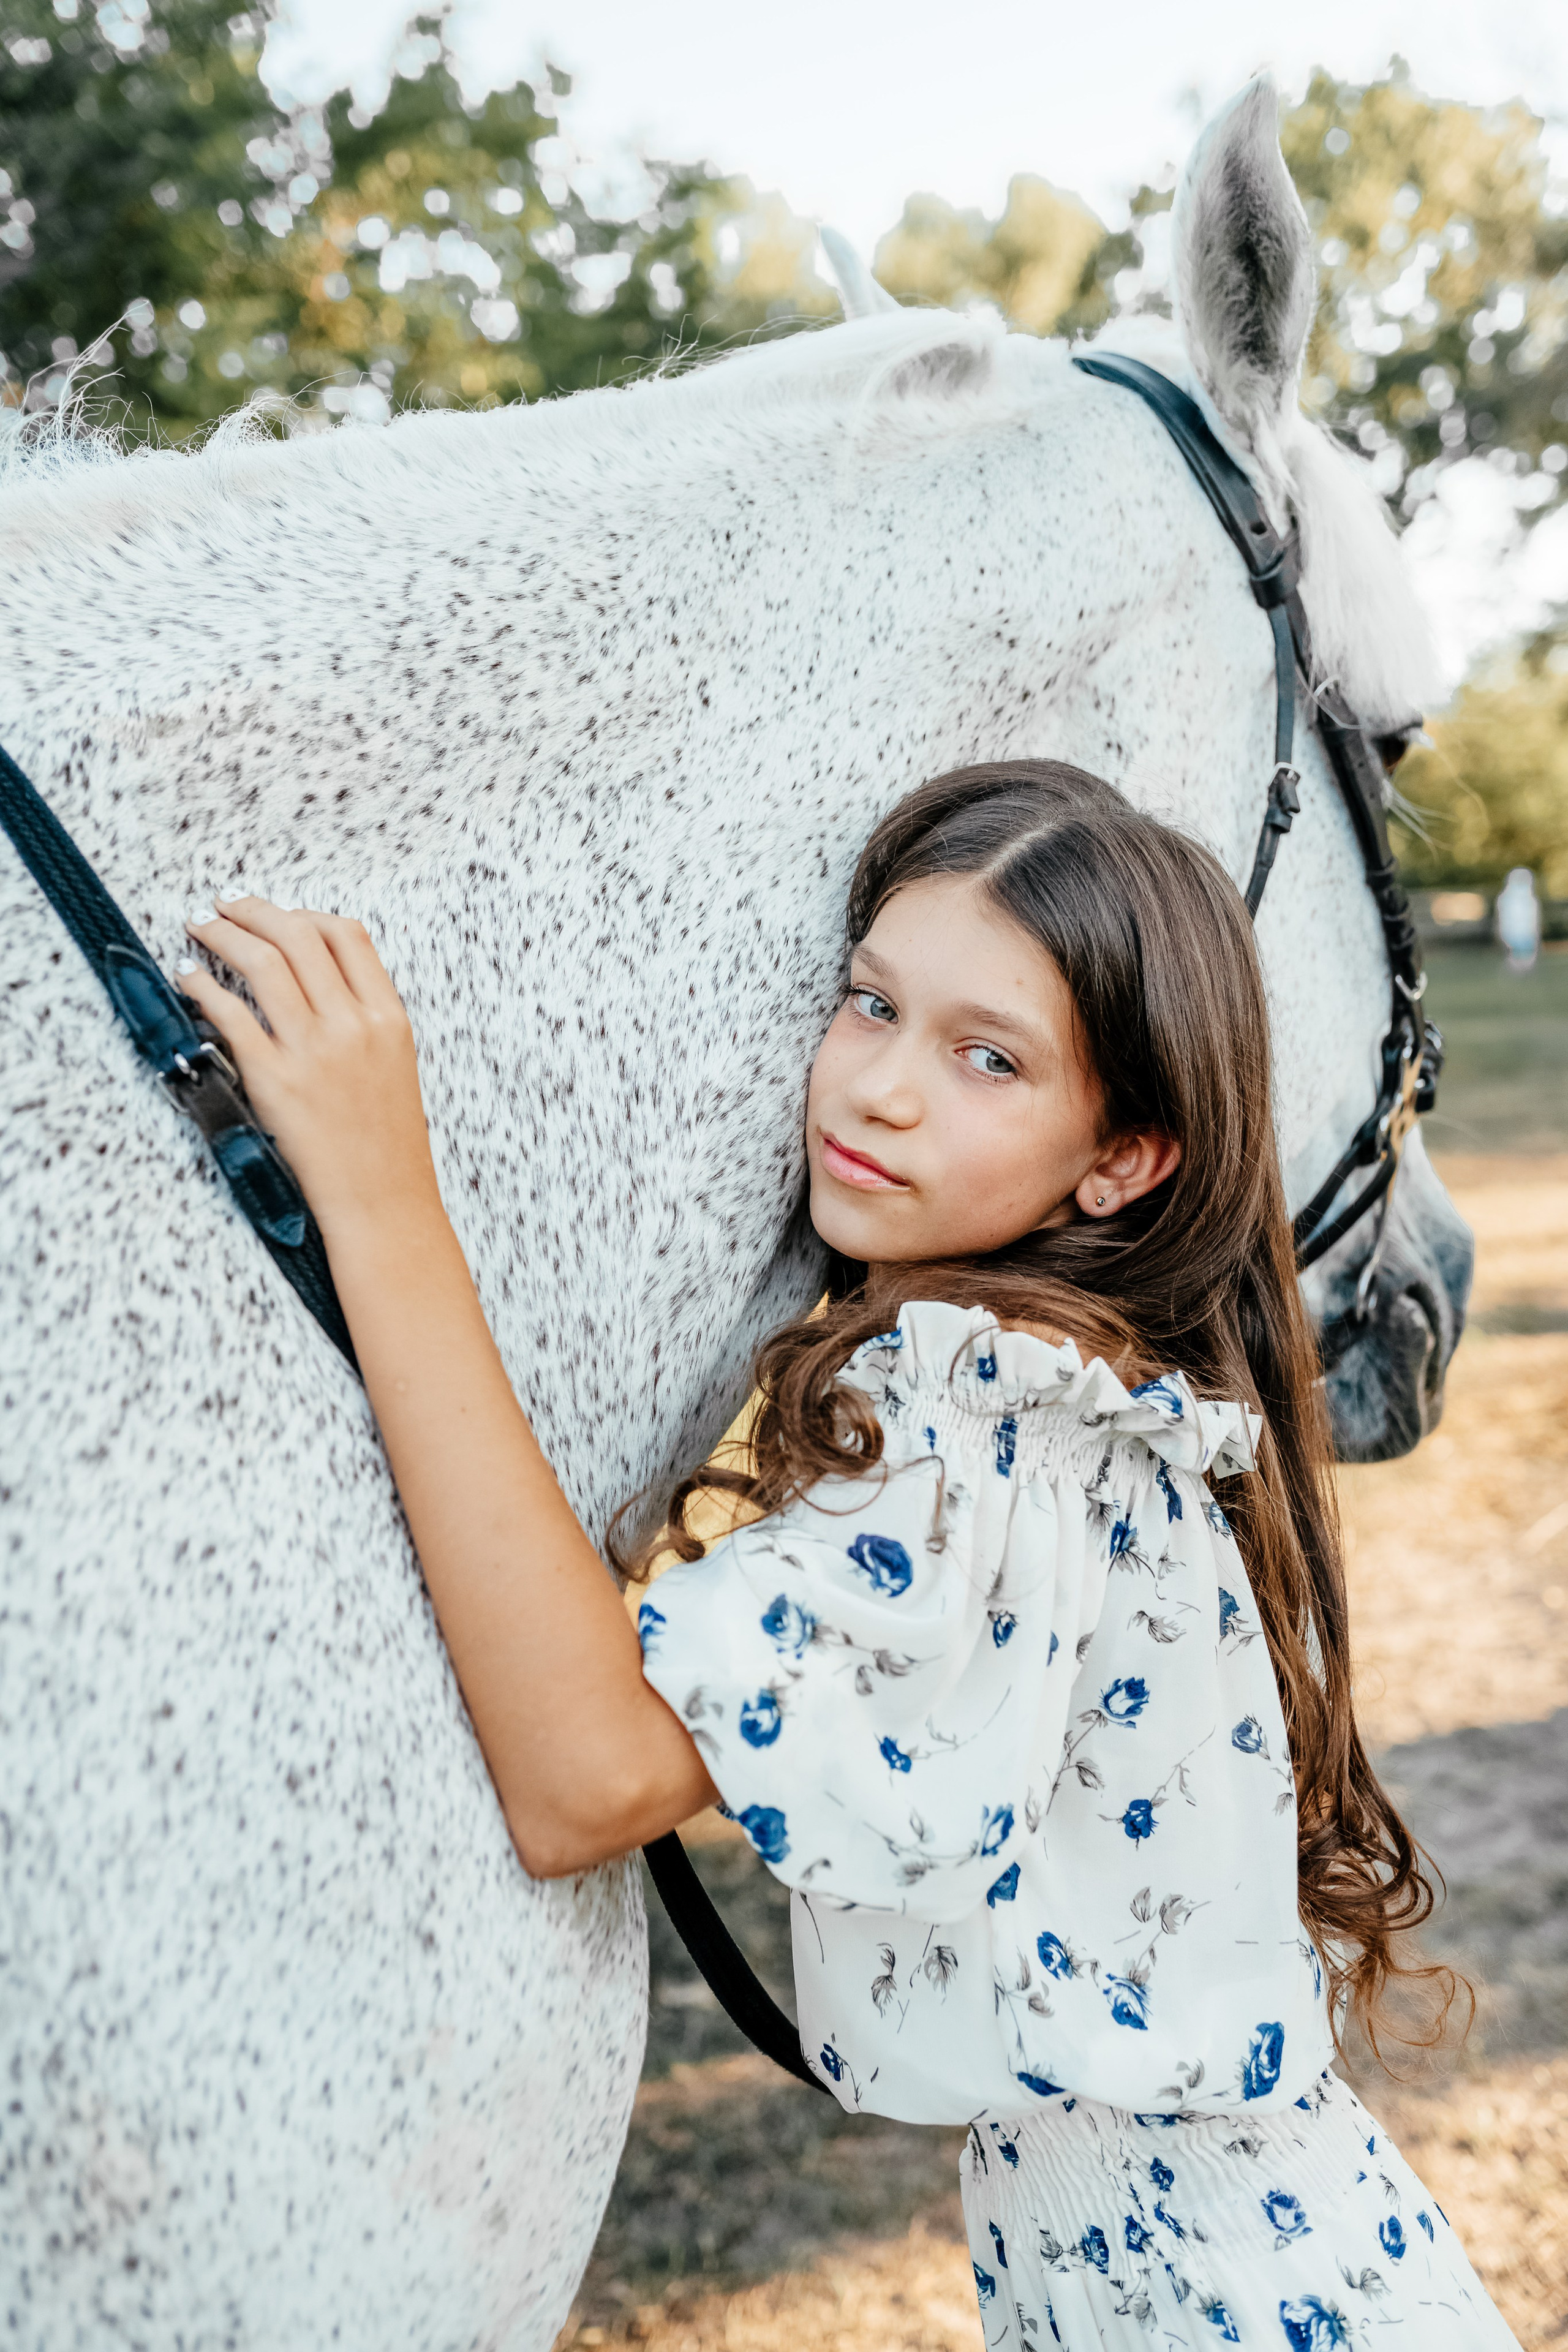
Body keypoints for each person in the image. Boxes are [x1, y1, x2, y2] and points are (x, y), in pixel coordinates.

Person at [179, 759, 1516, 2349]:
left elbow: (586, 1779)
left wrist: (383, 1192)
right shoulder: (1093, 1389)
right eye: (872, 1005)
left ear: (1125, 1157)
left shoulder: (984, 1405)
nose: (881, 1088)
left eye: (989, 1058)